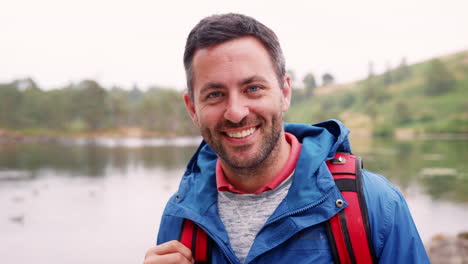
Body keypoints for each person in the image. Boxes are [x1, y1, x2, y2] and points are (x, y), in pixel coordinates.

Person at [143, 13, 429, 264]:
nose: (236, 112)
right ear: (193, 108)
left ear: (285, 93)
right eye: (215, 94)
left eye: (253, 88)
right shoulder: (180, 218)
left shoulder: (376, 205)